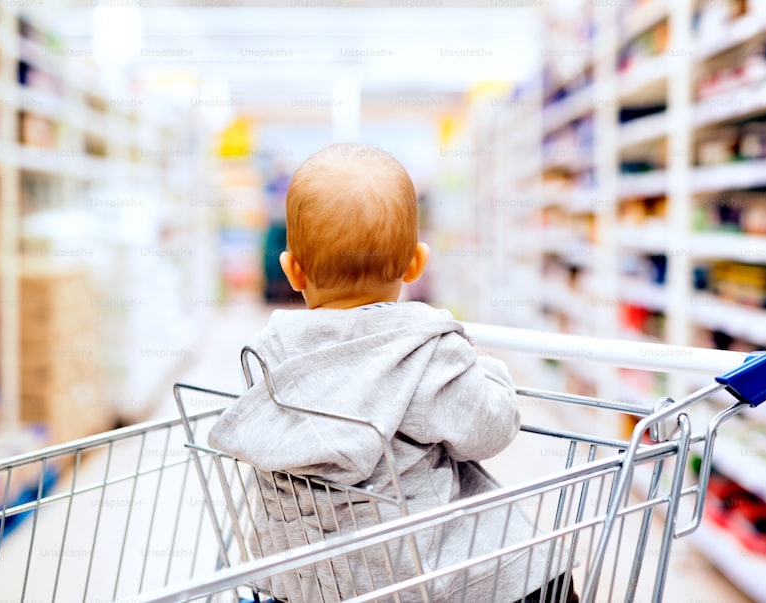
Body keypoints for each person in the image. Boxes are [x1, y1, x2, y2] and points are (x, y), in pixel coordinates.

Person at [207, 143, 577, 603]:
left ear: (294, 271)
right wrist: (492, 373)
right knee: (544, 577)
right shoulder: (424, 354)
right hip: (419, 578)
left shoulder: (269, 356)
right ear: (416, 263)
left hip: (309, 581)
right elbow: (489, 430)